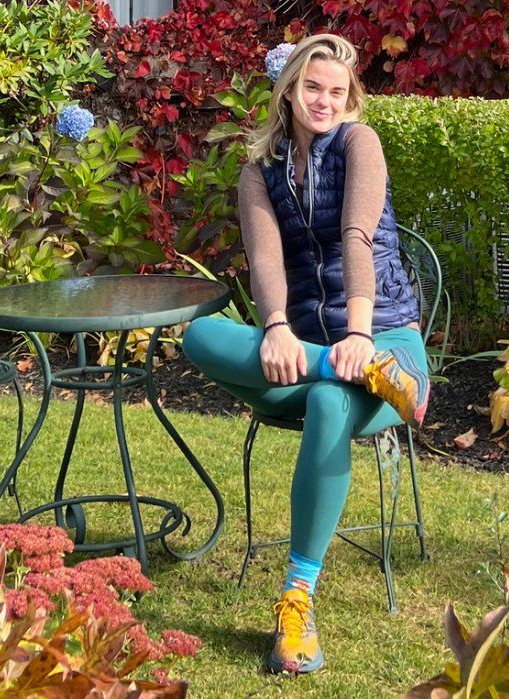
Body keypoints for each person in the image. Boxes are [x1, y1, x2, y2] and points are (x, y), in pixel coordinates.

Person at [183, 33, 430, 677]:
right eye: (312, 87)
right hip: (311, 351)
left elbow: (357, 235)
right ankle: (334, 369)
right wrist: (274, 327)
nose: (324, 101)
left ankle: (297, 597)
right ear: (289, 91)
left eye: (337, 91)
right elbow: (265, 259)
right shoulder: (258, 172)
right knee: (198, 336)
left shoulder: (360, 145)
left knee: (328, 401)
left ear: (350, 100)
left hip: (385, 342)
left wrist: (359, 336)